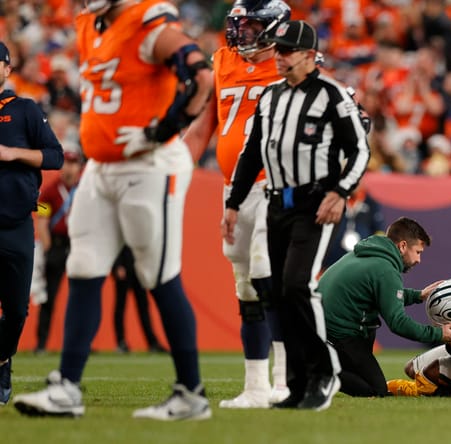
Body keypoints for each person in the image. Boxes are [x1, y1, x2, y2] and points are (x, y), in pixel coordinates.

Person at [13, 0, 213, 420]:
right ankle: (67, 387)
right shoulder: (89, 22)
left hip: (148, 165)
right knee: (84, 266)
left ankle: (191, 392)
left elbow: (200, 76)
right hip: (101, 166)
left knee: (157, 274)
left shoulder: (147, 18)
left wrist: (162, 129)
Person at [224, 19, 370, 411]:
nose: (280, 57)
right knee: (274, 291)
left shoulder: (332, 95)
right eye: (278, 50)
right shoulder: (269, 96)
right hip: (274, 202)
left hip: (314, 203)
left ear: (309, 55)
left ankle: (324, 371)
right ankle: (295, 383)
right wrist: (234, 203)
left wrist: (340, 192)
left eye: (288, 51)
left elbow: (359, 150)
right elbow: (251, 153)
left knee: (294, 285)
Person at [182, 0, 291, 409]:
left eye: (252, 26)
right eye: (239, 26)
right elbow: (206, 122)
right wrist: (177, 165)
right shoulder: (223, 60)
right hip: (235, 187)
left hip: (278, 184)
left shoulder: (291, 61)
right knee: (245, 284)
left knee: (266, 275)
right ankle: (255, 385)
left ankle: (285, 380)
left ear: (276, 28)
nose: (241, 34)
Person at [319, 217, 451, 397]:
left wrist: (418, 295)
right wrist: (439, 334)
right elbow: (398, 323)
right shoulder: (385, 269)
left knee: (370, 382)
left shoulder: (368, 254)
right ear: (403, 246)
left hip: (323, 327)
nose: (419, 259)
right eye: (418, 252)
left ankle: (322, 366)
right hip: (341, 334)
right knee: (376, 391)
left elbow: (382, 293)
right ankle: (318, 372)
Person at [0, 40, 64, 405]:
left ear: (8, 69)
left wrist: (12, 153)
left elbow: (54, 157)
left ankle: (3, 357)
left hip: (15, 223)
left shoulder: (24, 109)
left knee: (18, 309)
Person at [33, 148, 83, 355]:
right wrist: (47, 247)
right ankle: (41, 344)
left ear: (79, 167)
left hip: (78, 244)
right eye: (66, 163)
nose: (69, 168)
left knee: (81, 295)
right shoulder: (49, 191)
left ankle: (80, 343)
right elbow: (42, 221)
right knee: (49, 297)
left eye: (73, 163)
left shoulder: (84, 189)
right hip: (57, 244)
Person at [111, 246, 165, 354]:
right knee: (120, 306)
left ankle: (152, 342)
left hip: (139, 270)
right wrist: (117, 265)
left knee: (143, 307)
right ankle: (121, 342)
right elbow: (114, 243)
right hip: (124, 266)